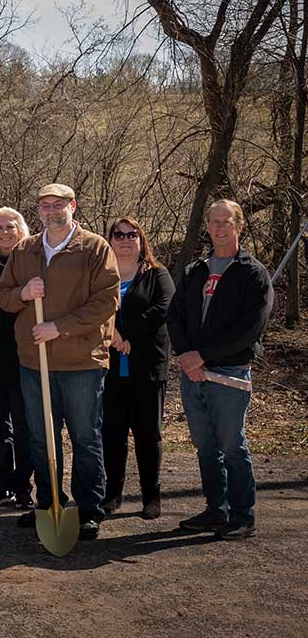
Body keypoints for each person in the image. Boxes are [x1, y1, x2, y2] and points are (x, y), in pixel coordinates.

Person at [0, 183, 120, 540]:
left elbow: (106, 302)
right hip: (35, 362)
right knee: (41, 438)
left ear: (73, 206)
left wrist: (59, 328)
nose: (51, 211)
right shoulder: (26, 249)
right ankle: (49, 502)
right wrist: (22, 293)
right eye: (44, 206)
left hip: (81, 362)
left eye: (58, 204)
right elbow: (3, 295)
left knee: (84, 436)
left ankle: (88, 510)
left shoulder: (95, 248)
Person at [168, 200, 272, 540]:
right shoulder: (194, 271)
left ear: (239, 226)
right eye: (214, 222)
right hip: (191, 372)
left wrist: (202, 356)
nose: (219, 227)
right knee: (205, 445)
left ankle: (243, 515)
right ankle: (217, 509)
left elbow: (249, 329)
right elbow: (176, 316)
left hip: (228, 373)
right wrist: (185, 354)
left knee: (231, 445)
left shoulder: (252, 273)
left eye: (226, 221)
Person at [102, 216, 174, 520]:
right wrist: (114, 337)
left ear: (141, 239)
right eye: (118, 234)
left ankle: (150, 496)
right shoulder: (101, 274)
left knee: (148, 434)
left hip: (147, 366)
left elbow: (164, 309)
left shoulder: (157, 274)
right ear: (110, 239)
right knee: (112, 433)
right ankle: (112, 494)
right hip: (109, 367)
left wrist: (127, 334)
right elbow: (92, 307)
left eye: (132, 234)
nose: (125, 239)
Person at [0, 207, 34, 510]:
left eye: (10, 227)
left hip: (24, 356)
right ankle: (4, 481)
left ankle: (24, 484)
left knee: (25, 424)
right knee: (0, 426)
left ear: (20, 229)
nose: (4, 233)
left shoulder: (31, 260)